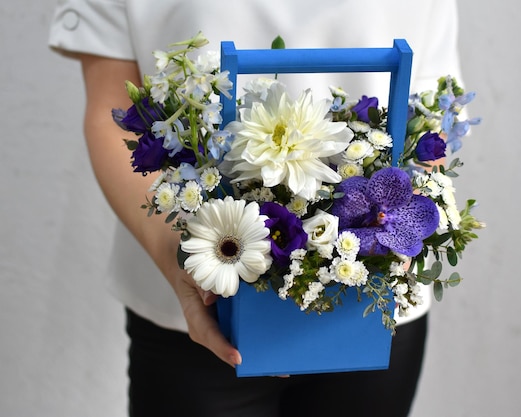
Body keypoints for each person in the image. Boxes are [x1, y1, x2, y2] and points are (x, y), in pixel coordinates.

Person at [48, 1, 462, 416]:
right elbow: (115, 113)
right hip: (194, 306)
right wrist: (183, 262)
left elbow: (430, 107)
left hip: (371, 304)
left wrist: (399, 241)